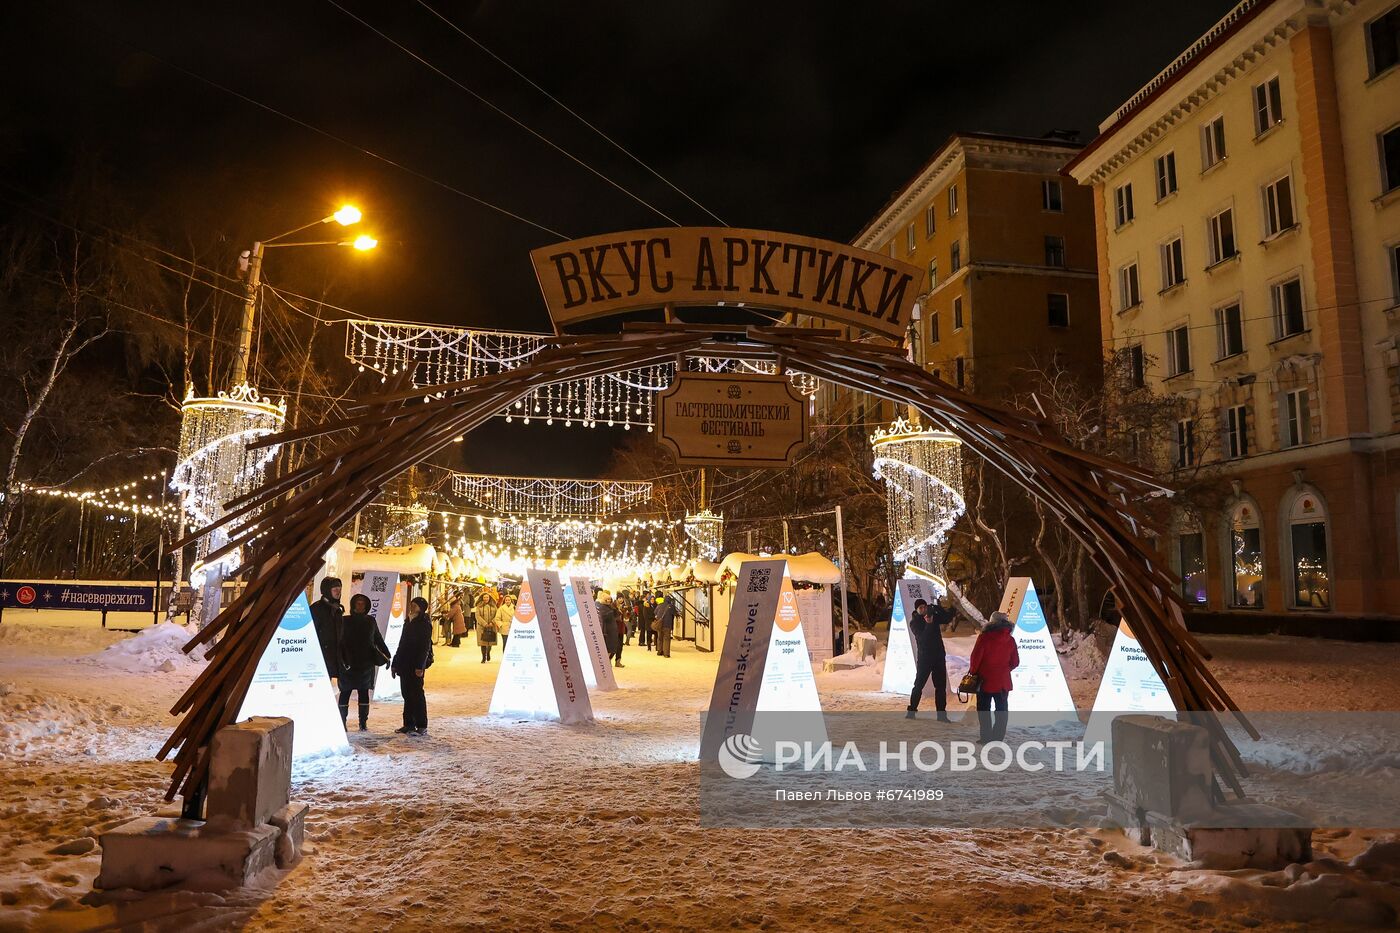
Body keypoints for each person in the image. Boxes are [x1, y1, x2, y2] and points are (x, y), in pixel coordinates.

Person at [338, 593, 391, 731]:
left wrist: (387, 655)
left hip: (365, 664)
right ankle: (342, 723)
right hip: (348, 663)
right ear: (353, 605)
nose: (360, 605)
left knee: (364, 694)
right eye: (358, 602)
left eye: (363, 603)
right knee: (345, 693)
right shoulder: (344, 620)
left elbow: (378, 639)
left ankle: (363, 723)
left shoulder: (370, 621)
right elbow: (338, 642)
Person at [968, 610, 1020, 744]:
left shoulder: (984, 638)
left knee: (984, 710)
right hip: (1003, 682)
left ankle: (986, 737)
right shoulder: (1010, 639)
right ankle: (998, 738)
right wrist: (1004, 670)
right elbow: (1015, 662)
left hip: (985, 681)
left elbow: (975, 658)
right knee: (1001, 710)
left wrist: (973, 672)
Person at [392, 596, 434, 736]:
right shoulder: (408, 621)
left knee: (416, 694)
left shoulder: (424, 623)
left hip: (416, 664)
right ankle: (408, 724)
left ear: (421, 608)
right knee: (406, 694)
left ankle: (421, 724)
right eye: (411, 605)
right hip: (404, 664)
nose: (412, 608)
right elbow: (402, 643)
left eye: (415, 606)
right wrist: (395, 663)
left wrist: (420, 666)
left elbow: (425, 647)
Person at [906, 597, 952, 721]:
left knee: (941, 686)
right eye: (920, 608)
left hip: (938, 656)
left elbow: (948, 618)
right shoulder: (914, 622)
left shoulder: (933, 616)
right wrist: (928, 624)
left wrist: (937, 608)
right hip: (925, 658)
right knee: (919, 685)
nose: (923, 609)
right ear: (917, 610)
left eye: (925, 607)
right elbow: (923, 639)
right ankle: (911, 711)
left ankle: (941, 714)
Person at [310, 577, 344, 680]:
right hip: (320, 654)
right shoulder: (317, 608)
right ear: (327, 591)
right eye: (335, 590)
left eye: (339, 589)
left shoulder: (337, 608)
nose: (338, 592)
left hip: (334, 653)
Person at [596, 591, 622, 668]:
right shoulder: (600, 606)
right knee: (609, 648)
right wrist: (612, 611)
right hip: (606, 631)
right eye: (607, 599)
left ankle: (608, 662)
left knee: (613, 647)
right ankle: (606, 663)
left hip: (612, 631)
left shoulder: (609, 606)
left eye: (610, 599)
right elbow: (604, 616)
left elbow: (617, 614)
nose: (609, 601)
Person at [476, 594, 498, 662]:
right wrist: (484, 624)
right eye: (484, 597)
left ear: (489, 598)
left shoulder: (494, 606)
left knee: (490, 641)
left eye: (487, 597)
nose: (486, 598)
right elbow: (477, 616)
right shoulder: (479, 606)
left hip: (492, 626)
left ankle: (488, 653)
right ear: (482, 598)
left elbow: (497, 615)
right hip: (482, 627)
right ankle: (483, 657)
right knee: (483, 642)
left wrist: (492, 622)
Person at [654, 594, 675, 658]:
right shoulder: (671, 606)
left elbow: (655, 612)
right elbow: (674, 613)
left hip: (660, 624)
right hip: (667, 625)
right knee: (666, 639)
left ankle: (660, 651)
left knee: (660, 638)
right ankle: (666, 653)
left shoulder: (659, 605)